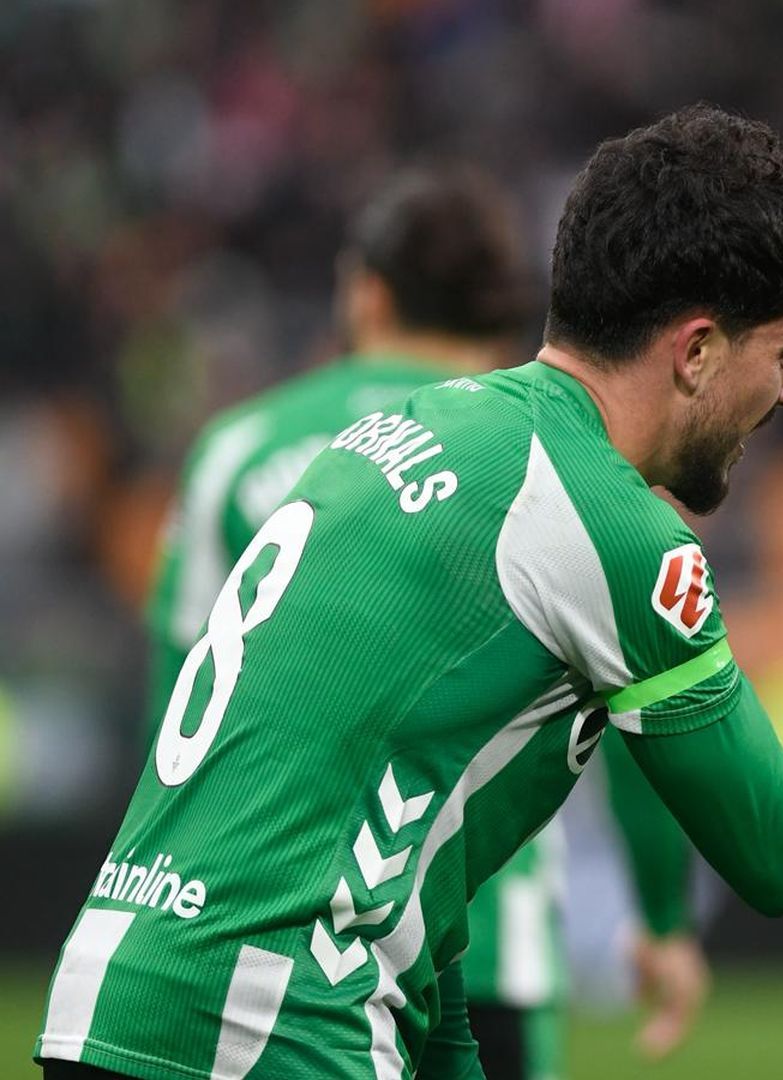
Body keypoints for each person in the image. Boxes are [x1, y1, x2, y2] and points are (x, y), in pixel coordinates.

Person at [37, 104, 783, 1080]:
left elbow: (422, 866)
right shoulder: (602, 525)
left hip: (115, 999)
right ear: (696, 351)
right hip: (266, 1028)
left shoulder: (407, 430)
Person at [136, 166, 711, 1079]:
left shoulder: (238, 451)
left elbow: (182, 712)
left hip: (280, 946)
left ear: (367, 292)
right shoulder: (562, 467)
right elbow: (649, 707)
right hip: (490, 945)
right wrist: (664, 917)